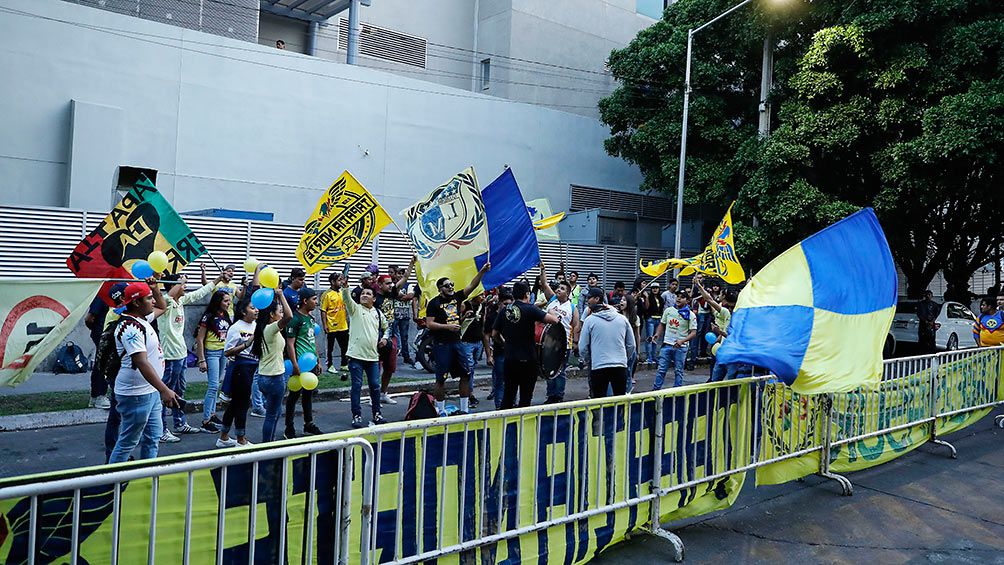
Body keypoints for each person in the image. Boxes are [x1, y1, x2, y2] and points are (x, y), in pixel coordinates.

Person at [108, 281, 178, 464]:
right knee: (128, 441)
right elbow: (140, 362)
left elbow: (162, 306)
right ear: (137, 303)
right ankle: (112, 483)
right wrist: (164, 390)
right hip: (136, 393)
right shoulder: (129, 327)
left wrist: (155, 289)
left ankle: (146, 477)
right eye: (149, 298)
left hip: (150, 390)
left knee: (153, 437)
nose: (153, 301)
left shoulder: (141, 319)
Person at [159, 265, 219, 438]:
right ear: (173, 286)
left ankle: (180, 423)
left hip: (181, 355)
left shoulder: (180, 301)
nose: (185, 287)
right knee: (166, 392)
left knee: (179, 390)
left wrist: (217, 279)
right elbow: (169, 296)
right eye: (182, 284)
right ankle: (162, 430)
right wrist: (180, 281)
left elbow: (200, 293)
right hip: (170, 357)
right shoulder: (166, 302)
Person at [426, 262, 491, 415]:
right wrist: (447, 327)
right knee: (441, 379)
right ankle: (440, 410)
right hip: (442, 344)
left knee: (466, 374)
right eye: (447, 285)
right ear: (440, 288)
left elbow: (472, 286)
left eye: (452, 285)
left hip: (457, 343)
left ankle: (464, 409)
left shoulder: (457, 297)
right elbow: (430, 324)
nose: (450, 287)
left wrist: (481, 271)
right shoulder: (434, 303)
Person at [493, 281, 560, 409]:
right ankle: (523, 425)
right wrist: (551, 310)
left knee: (508, 394)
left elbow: (494, 333)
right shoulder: (531, 309)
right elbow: (554, 320)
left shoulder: (505, 310)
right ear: (527, 294)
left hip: (510, 359)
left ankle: (505, 425)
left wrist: (504, 343)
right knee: (526, 396)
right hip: (528, 359)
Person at [341, 263, 392, 427]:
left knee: (375, 387)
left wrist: (385, 338)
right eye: (363, 293)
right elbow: (347, 297)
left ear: (374, 298)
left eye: (368, 294)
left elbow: (387, 328)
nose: (364, 295)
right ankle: (356, 416)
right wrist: (345, 285)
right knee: (356, 387)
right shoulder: (355, 309)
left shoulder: (378, 313)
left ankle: (377, 414)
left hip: (372, 356)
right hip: (355, 356)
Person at [250, 287, 293, 443]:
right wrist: (281, 296)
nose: (281, 313)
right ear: (271, 314)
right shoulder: (270, 329)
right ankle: (267, 445)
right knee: (272, 415)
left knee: (274, 411)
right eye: (278, 311)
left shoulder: (261, 329)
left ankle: (270, 442)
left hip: (263, 377)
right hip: (274, 378)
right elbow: (289, 316)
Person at [374, 257, 416, 405]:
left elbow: (404, 278)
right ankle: (374, 396)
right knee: (375, 368)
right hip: (377, 336)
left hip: (391, 335)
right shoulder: (373, 298)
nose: (391, 285)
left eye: (391, 283)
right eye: (387, 283)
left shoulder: (392, 293)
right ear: (379, 285)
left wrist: (411, 263)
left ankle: (383, 394)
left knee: (390, 367)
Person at [579, 288, 635, 398]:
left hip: (598, 366)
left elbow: (583, 347)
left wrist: (590, 360)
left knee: (599, 402)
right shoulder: (622, 319)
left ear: (597, 299)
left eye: (589, 297)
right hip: (620, 366)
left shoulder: (589, 320)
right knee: (620, 401)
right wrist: (623, 358)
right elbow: (631, 345)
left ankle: (601, 416)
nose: (587, 301)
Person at [218, 299, 258, 447]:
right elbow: (227, 351)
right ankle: (241, 439)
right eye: (252, 308)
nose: (256, 311)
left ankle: (223, 436)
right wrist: (246, 344)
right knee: (242, 403)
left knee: (236, 404)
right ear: (243, 311)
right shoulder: (236, 328)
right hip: (241, 368)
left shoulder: (256, 325)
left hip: (252, 366)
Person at [284, 287, 323, 438]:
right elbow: (290, 344)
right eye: (314, 299)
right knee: (294, 396)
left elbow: (313, 342)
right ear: (305, 301)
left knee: (308, 394)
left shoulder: (311, 318)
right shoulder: (295, 319)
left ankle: (309, 424)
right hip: (300, 363)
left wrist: (318, 361)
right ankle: (289, 427)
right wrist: (295, 364)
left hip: (311, 362)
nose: (316, 302)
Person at [538, 263, 580, 404]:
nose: (558, 290)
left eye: (562, 288)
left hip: (564, 344)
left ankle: (559, 396)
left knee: (560, 372)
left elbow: (576, 325)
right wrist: (543, 269)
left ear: (567, 293)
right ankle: (550, 396)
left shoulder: (572, 307)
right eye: (558, 288)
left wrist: (575, 342)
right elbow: (544, 284)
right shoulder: (552, 300)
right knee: (548, 369)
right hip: (548, 341)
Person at [194, 290, 232, 433]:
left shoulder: (225, 315)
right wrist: (201, 359)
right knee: (213, 386)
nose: (228, 304)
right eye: (225, 301)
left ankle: (212, 414)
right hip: (212, 353)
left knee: (217, 385)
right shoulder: (208, 316)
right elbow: (199, 338)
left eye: (229, 301)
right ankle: (205, 421)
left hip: (223, 352)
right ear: (218, 302)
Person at [693, 276, 736, 381]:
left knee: (732, 382)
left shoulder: (739, 315)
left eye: (721, 294)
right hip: (722, 352)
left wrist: (719, 332)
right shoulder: (725, 311)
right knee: (715, 380)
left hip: (733, 355)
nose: (719, 295)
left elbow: (734, 337)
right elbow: (709, 300)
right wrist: (699, 286)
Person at [652, 292, 697, 389]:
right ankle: (655, 391)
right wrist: (657, 334)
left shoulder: (691, 314)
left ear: (687, 300)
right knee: (661, 369)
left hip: (681, 347)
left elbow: (693, 332)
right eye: (678, 297)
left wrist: (682, 341)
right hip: (666, 345)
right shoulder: (668, 310)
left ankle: (677, 392)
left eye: (682, 297)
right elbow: (662, 324)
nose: (679, 299)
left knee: (678, 371)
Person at [485, 288, 512, 410]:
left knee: (512, 381)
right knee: (499, 382)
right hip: (499, 353)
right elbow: (487, 335)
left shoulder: (513, 315)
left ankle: (512, 404)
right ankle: (499, 407)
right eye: (505, 304)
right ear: (500, 303)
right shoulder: (492, 316)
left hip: (512, 354)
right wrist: (489, 355)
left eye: (510, 304)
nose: (508, 307)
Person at [459, 293, 487, 409]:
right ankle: (470, 395)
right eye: (480, 294)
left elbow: (483, 324)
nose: (483, 297)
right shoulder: (464, 305)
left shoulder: (482, 307)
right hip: (466, 342)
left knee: (473, 367)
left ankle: (467, 391)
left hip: (478, 342)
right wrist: (464, 316)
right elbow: (456, 322)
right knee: (468, 369)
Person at [84, 293, 112, 409]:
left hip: (108, 333)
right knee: (104, 363)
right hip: (101, 333)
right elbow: (89, 318)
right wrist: (96, 331)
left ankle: (95, 395)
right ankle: (99, 394)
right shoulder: (102, 295)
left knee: (100, 363)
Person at [320, 272, 350, 379]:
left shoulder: (342, 292)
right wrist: (325, 325)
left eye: (342, 280)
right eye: (339, 280)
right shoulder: (327, 294)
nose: (341, 282)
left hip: (343, 325)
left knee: (344, 347)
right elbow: (323, 311)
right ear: (332, 282)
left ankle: (344, 364)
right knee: (330, 348)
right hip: (331, 326)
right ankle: (330, 365)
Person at [391, 266, 420, 368]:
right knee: (393, 336)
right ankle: (392, 356)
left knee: (404, 337)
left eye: (402, 274)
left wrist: (398, 296)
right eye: (398, 274)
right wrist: (403, 297)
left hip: (405, 315)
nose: (400, 276)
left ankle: (406, 356)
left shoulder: (409, 285)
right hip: (393, 315)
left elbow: (411, 296)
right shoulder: (392, 285)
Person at [640, 281, 664, 364]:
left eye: (656, 288)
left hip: (658, 319)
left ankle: (654, 356)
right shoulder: (649, 297)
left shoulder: (660, 298)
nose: (655, 289)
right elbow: (646, 308)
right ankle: (649, 357)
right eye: (653, 288)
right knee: (649, 338)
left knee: (655, 339)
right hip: (650, 319)